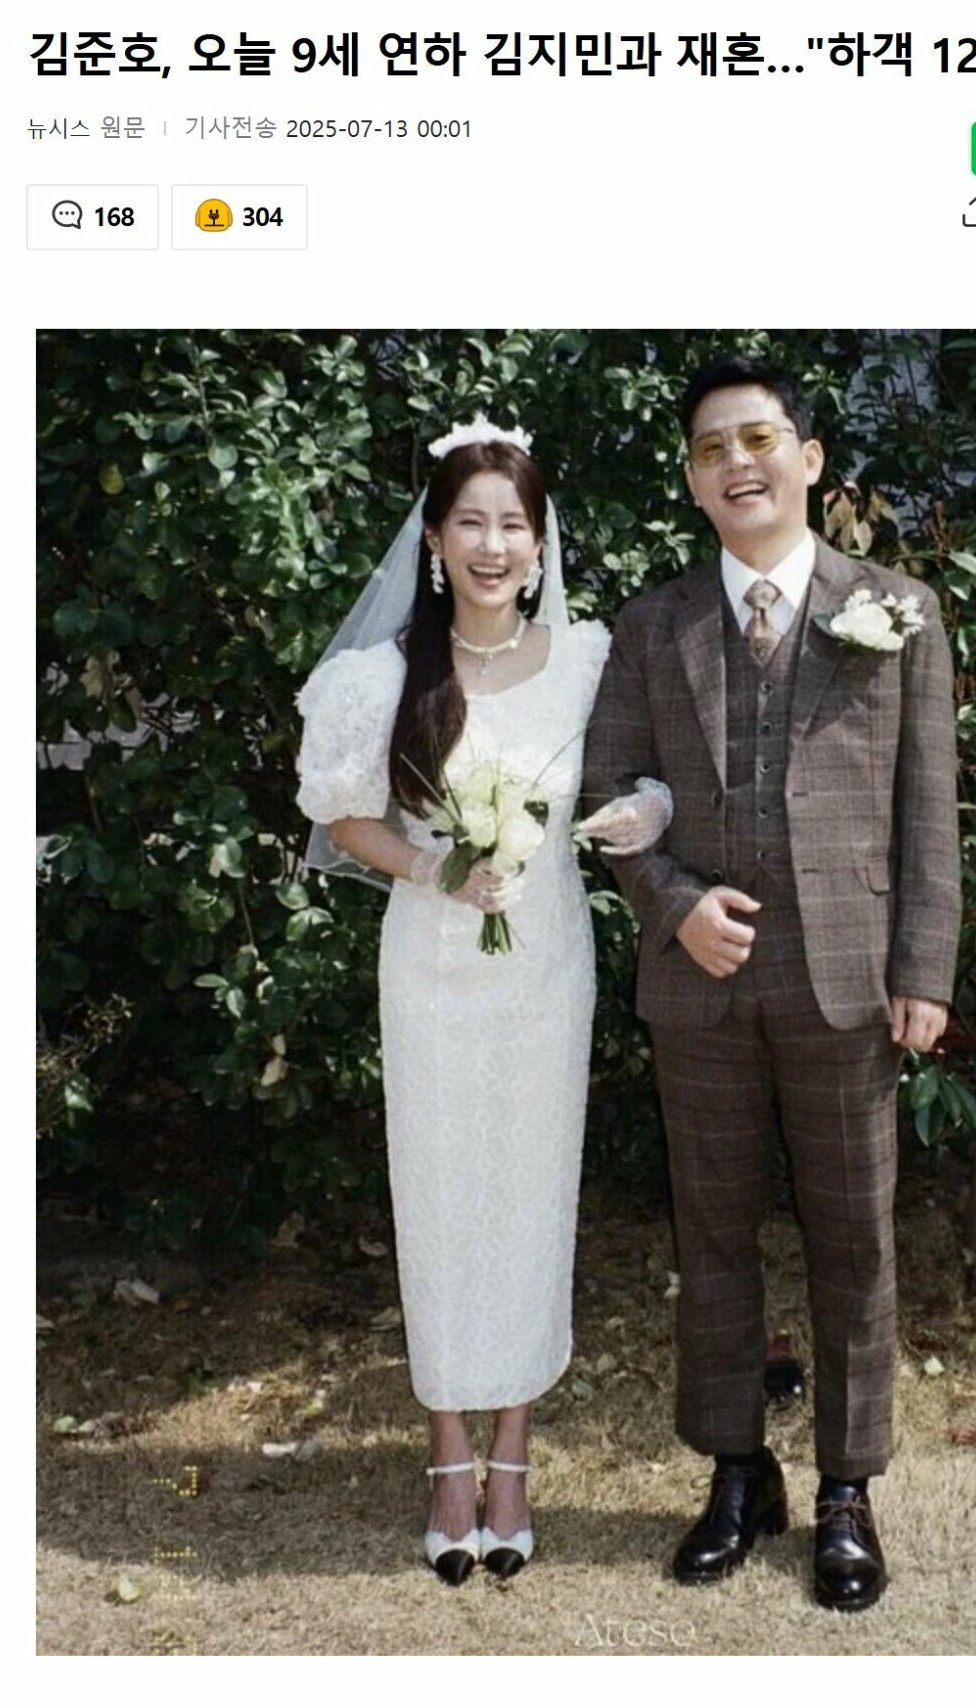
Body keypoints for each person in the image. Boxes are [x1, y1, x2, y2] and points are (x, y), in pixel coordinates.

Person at [583, 356, 961, 1611]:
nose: (735, 464)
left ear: (807, 459)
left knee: (853, 1237)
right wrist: (674, 906)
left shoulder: (893, 610)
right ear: (693, 485)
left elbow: (927, 807)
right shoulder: (650, 628)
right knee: (711, 1233)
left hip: (845, 981)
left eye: (757, 439)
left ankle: (847, 1487)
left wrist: (923, 966)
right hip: (703, 982)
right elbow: (609, 797)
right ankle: (738, 1471)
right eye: (709, 449)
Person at [296, 419, 667, 1584]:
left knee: (529, 1195)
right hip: (431, 969)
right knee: (441, 1196)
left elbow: (645, 772)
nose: (492, 545)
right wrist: (434, 867)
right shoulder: (379, 677)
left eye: (513, 524)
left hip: (545, 965)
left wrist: (642, 812)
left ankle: (513, 1452)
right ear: (434, 539)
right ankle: (447, 1455)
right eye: (470, 522)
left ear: (541, 542)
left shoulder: (587, 660)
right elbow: (342, 816)